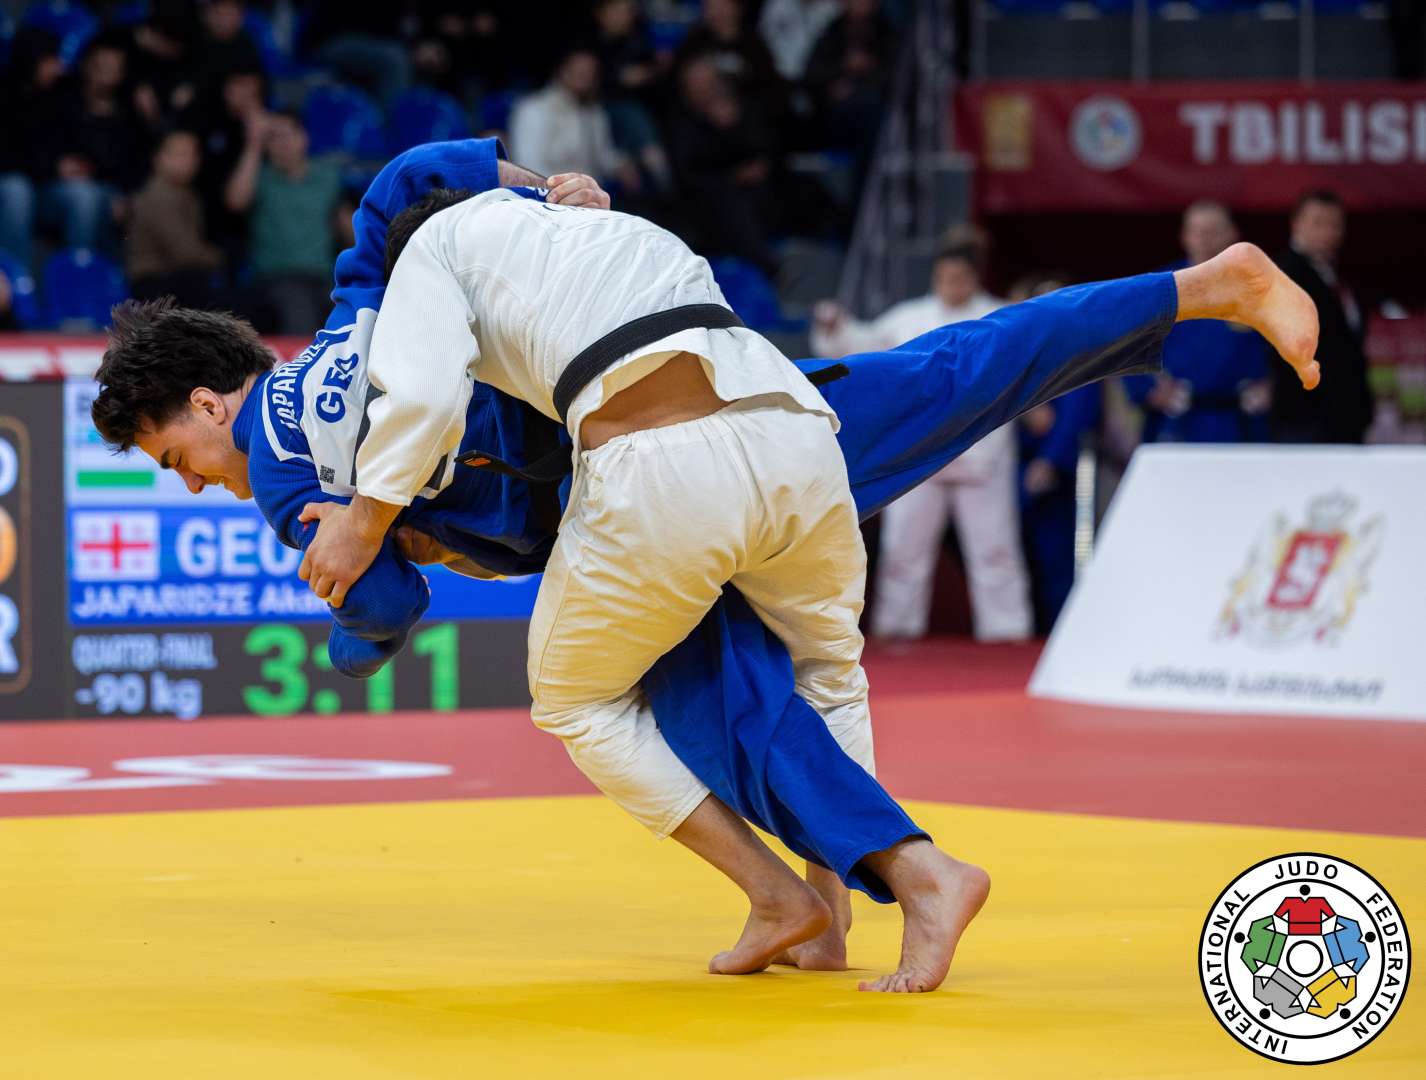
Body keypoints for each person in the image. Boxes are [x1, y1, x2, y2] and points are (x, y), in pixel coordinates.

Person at [89, 142, 1323, 993]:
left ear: (207, 400)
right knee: (964, 370)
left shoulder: (284, 467)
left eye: (173, 455)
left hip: (637, 487)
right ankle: (1197, 288)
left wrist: (356, 587)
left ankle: (842, 887)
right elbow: (406, 182)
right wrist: (536, 183)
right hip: (754, 387)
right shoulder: (363, 295)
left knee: (651, 692)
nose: (192, 480)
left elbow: (386, 601)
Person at [813, 242, 1031, 643]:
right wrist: (835, 328)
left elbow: (1028, 365)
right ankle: (898, 626)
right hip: (919, 452)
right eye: (944, 278)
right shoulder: (909, 317)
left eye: (959, 278)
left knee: (995, 548)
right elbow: (860, 344)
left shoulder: (999, 316)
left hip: (982, 452)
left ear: (974, 278)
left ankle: (1007, 629)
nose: (951, 285)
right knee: (904, 549)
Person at [1124, 201, 1271, 444]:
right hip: (1178, 421)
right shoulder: (1160, 288)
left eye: (1213, 231)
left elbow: (1287, 349)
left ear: (1233, 234)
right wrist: (1148, 390)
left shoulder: (1258, 289)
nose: (1205, 239)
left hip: (1241, 422)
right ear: (1185, 236)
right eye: (1198, 232)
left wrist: (1274, 387)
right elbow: (1126, 347)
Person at [225, 110, 347, 334]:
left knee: (353, 315)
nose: (282, 143)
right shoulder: (261, 178)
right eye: (273, 137)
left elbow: (346, 223)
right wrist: (253, 146)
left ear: (304, 137)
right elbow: (235, 201)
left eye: (288, 134)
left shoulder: (327, 177)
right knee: (300, 316)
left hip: (324, 274)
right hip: (278, 275)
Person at [1269, 190, 1374, 444]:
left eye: (1334, 224)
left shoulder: (1338, 274)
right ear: (1296, 224)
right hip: (1306, 418)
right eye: (1318, 223)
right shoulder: (1284, 274)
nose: (1327, 232)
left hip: (1344, 414)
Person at [509, 49, 636, 193]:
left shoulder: (594, 111)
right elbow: (527, 163)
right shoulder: (533, 109)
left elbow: (603, 156)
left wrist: (621, 165)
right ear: (561, 71)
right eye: (578, 71)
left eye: (590, 73)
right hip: (548, 196)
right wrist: (557, 192)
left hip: (592, 195)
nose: (584, 77)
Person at [126, 130, 226, 308]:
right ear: (158, 158)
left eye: (192, 155)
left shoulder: (188, 195)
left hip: (180, 280)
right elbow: (185, 253)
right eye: (179, 154)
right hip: (155, 285)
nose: (188, 161)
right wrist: (218, 257)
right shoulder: (157, 196)